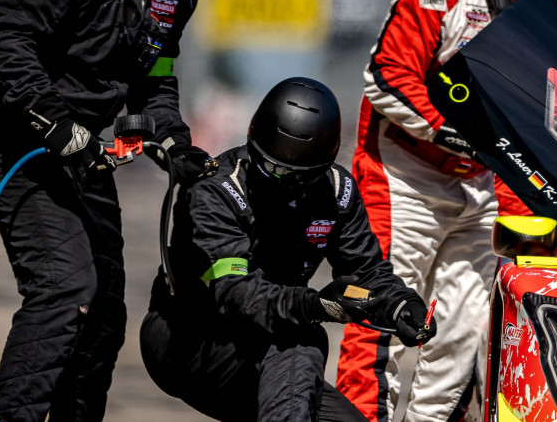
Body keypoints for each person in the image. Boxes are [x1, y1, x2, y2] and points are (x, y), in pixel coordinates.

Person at [334, 0, 557, 421]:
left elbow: (545, 125)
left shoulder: (549, 15)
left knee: (466, 331)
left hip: (480, 186)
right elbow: (387, 78)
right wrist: (450, 130)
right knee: (379, 322)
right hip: (402, 181)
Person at [0, 0, 227, 419]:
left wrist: (172, 142)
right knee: (65, 288)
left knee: (104, 316)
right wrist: (56, 125)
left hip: (84, 159)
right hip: (19, 146)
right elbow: (4, 37)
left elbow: (156, 77)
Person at [140, 77, 436, 421]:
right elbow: (236, 293)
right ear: (252, 140)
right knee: (303, 338)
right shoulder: (216, 192)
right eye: (270, 167)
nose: (279, 179)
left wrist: (401, 304)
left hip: (265, 343)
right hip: (189, 339)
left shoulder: (337, 191)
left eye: (295, 175)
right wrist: (315, 305)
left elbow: (367, 272)